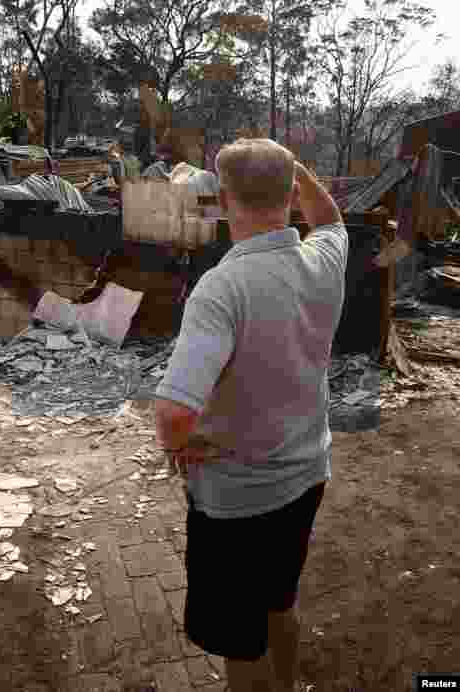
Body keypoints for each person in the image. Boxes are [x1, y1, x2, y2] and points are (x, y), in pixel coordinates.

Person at [153, 139, 347, 692]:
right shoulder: (326, 259)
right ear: (290, 195)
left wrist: (179, 447)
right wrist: (295, 171)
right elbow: (329, 217)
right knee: (279, 607)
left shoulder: (222, 289)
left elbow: (172, 414)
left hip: (236, 503)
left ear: (223, 198)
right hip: (308, 478)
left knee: (242, 647)